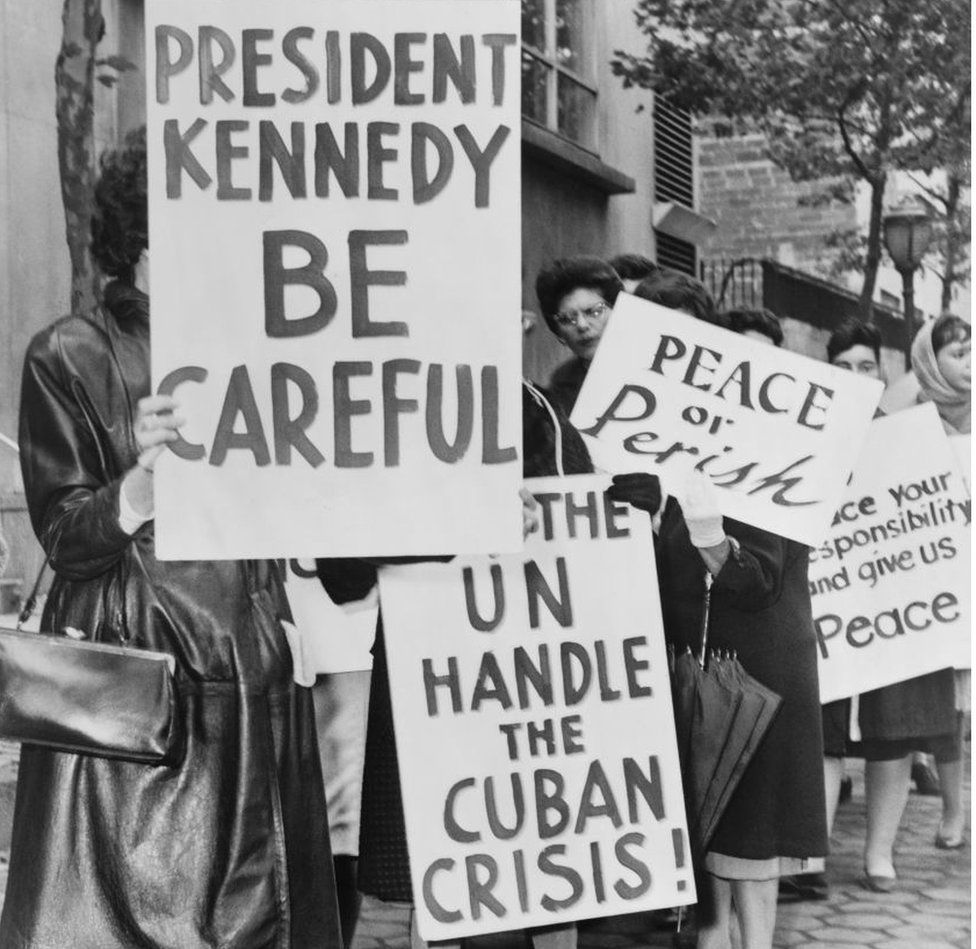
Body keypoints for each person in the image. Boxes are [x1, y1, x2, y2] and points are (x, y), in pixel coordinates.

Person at [2, 130, 341, 948]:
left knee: (262, 914)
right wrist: (141, 484)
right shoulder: (68, 352)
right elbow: (66, 534)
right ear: (150, 227)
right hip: (139, 679)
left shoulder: (266, 344)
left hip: (252, 662)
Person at [316, 381, 594, 949]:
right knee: (444, 880)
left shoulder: (529, 406)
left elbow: (584, 533)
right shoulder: (374, 409)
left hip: (523, 682)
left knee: (526, 883)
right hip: (426, 682)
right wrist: (454, 528)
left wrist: (636, 506)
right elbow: (340, 573)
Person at [637, 287, 826, 949]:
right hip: (691, 654)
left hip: (754, 666)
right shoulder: (651, 438)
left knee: (749, 833)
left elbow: (756, 578)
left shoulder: (775, 447)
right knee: (706, 828)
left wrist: (706, 527)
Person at [911, 313, 971, 850]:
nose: (970, 363)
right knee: (952, 709)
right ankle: (956, 809)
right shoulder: (910, 422)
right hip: (938, 582)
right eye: (957, 353)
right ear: (931, 361)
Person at [537, 256, 624, 414]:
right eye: (567, 319)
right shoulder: (561, 385)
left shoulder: (658, 357)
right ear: (558, 333)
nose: (582, 325)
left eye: (594, 312)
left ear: (619, 310)